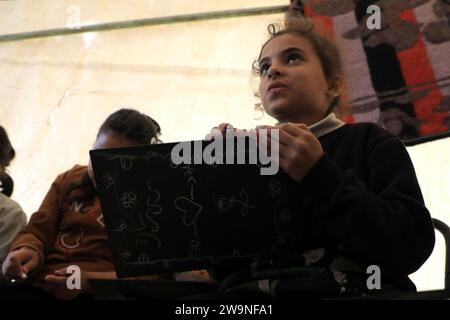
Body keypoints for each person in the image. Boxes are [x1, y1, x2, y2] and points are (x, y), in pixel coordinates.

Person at [203, 16, 435, 299]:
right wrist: (216, 180)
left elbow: (409, 247)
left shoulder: (370, 141)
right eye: (265, 67)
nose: (273, 70)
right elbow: (222, 268)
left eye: (292, 59)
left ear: (333, 85)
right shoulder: (245, 156)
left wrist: (319, 175)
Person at [1, 109, 164, 299]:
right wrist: (27, 251)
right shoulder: (68, 180)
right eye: (97, 156)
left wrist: (86, 281)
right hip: (45, 286)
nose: (101, 170)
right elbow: (37, 231)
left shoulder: (154, 200)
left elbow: (151, 276)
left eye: (117, 164)